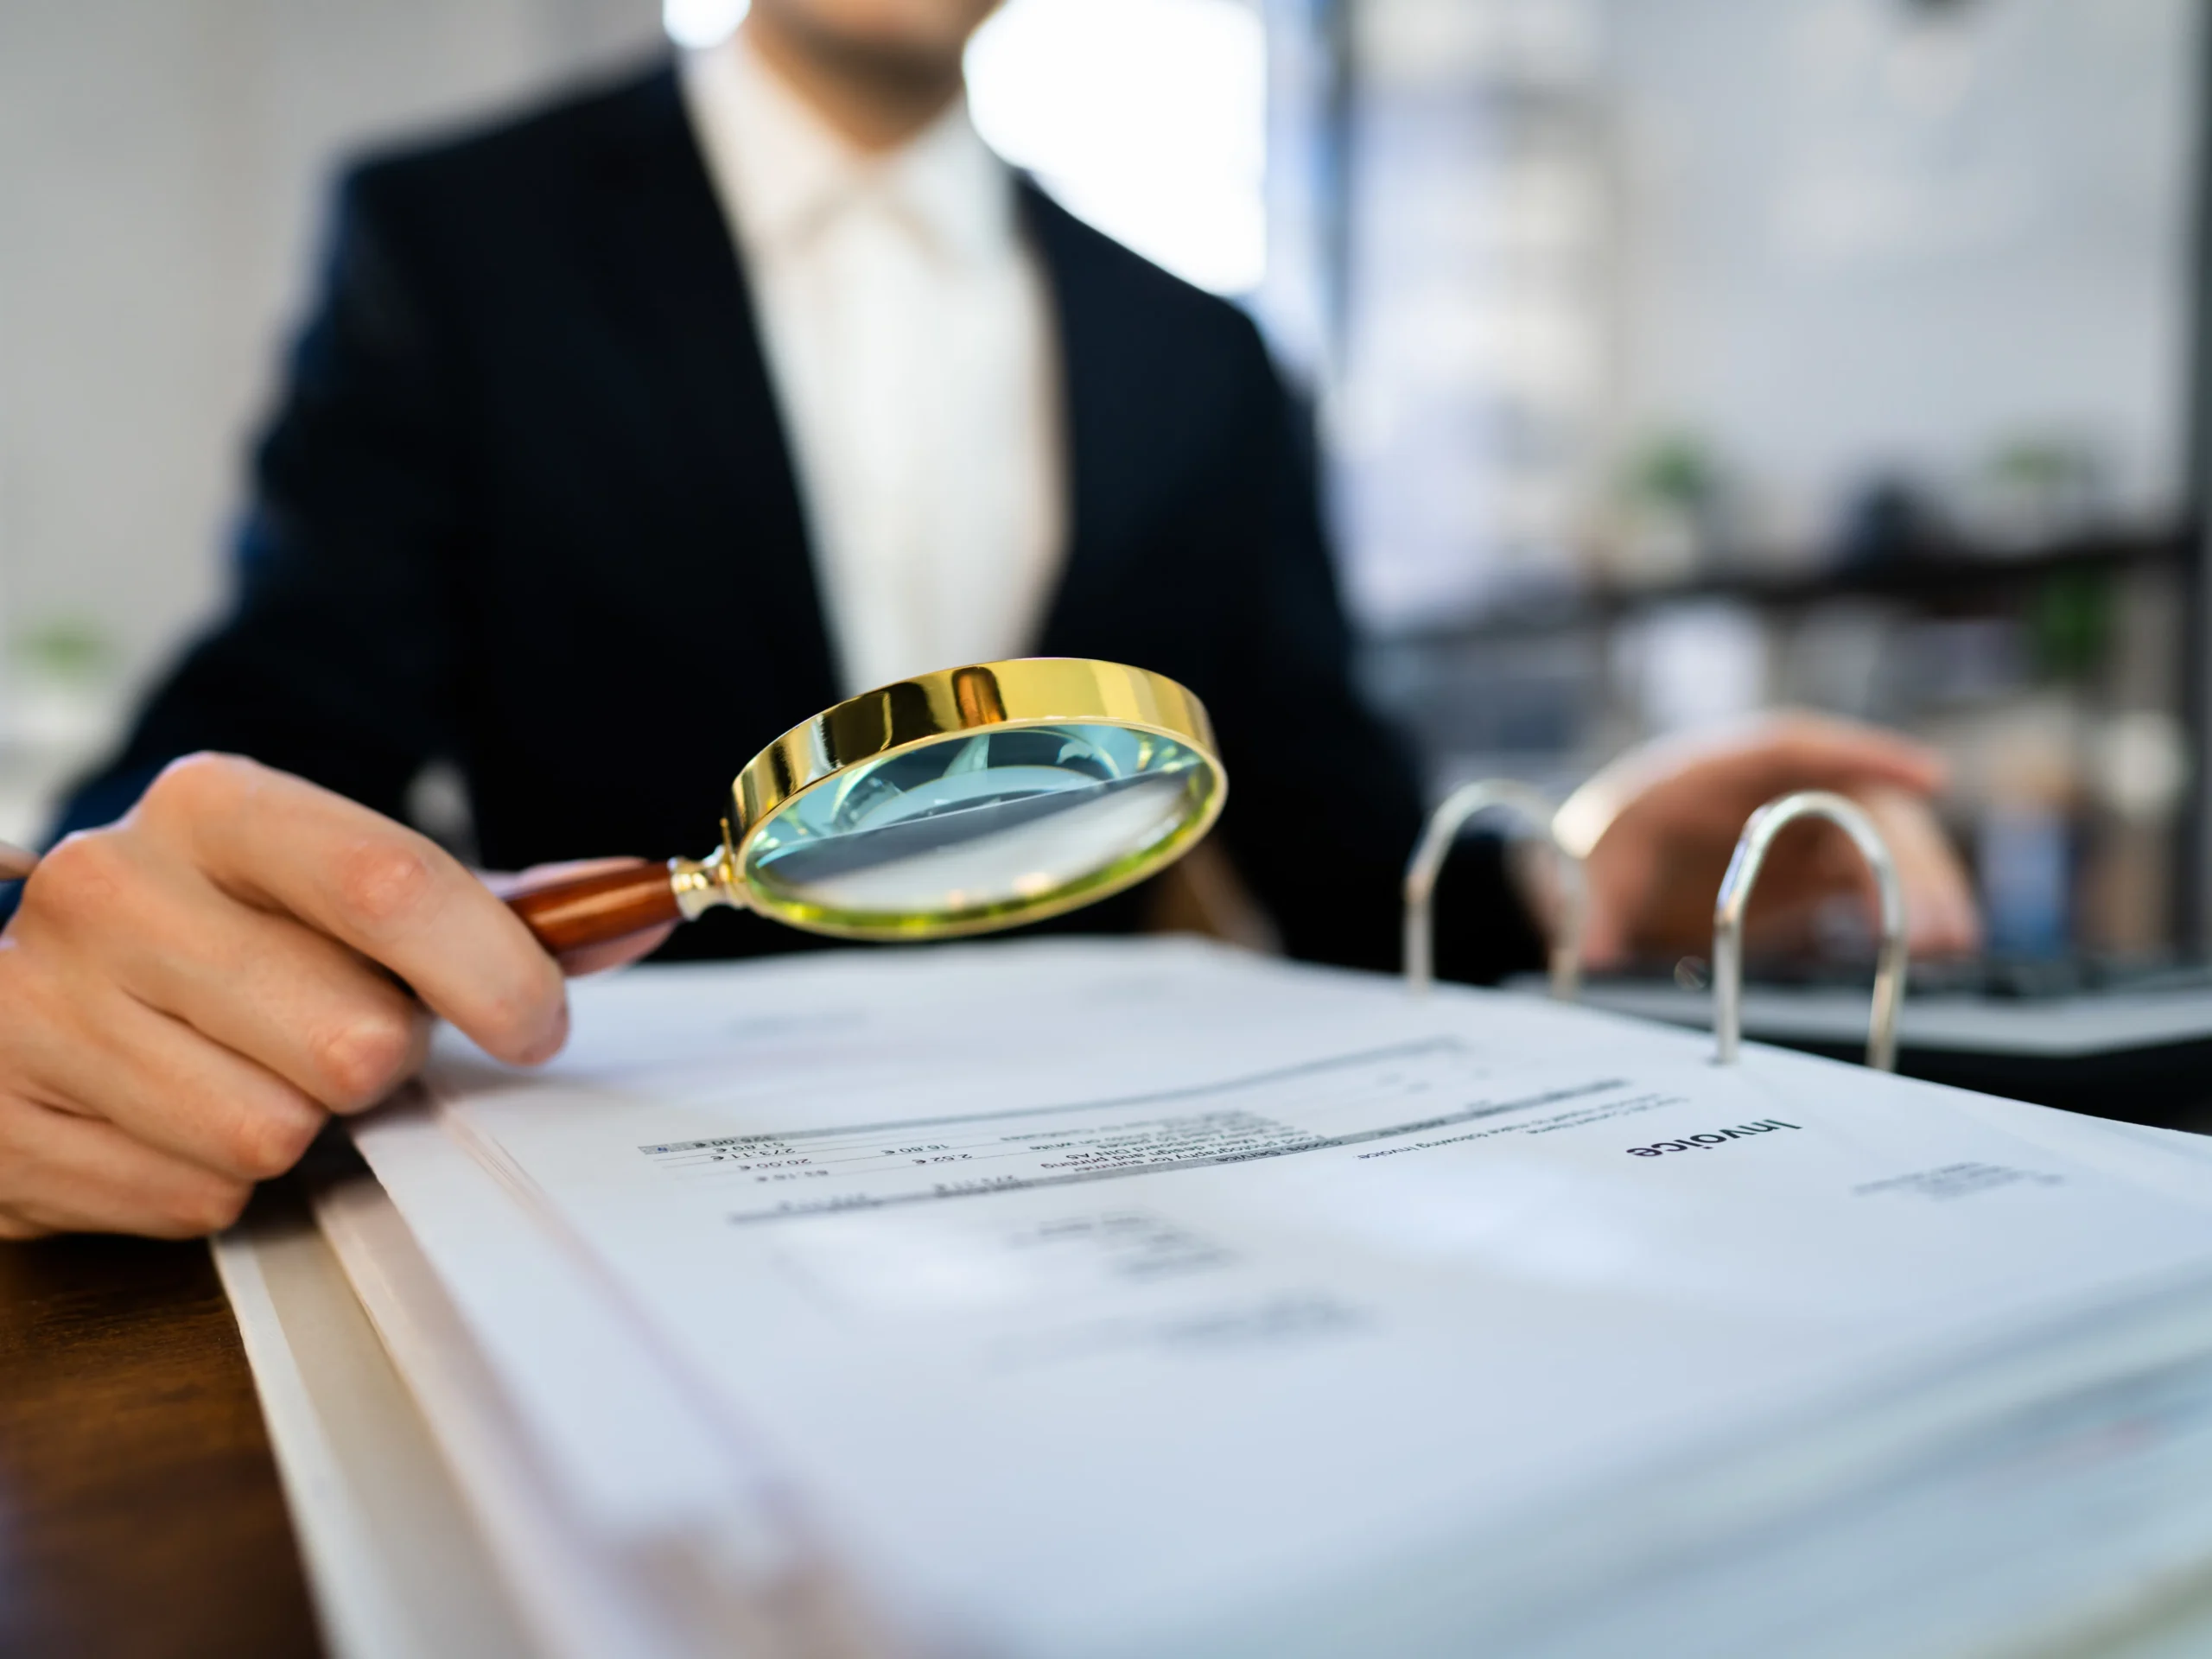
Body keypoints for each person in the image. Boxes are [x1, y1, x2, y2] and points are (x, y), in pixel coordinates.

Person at [0, 0, 1978, 1240]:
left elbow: (1308, 807)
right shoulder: (455, 238)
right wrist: (77, 973)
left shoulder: (1192, 349)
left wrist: (1568, 874)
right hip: (618, 1198)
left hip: (1125, 1204)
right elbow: (277, 715)